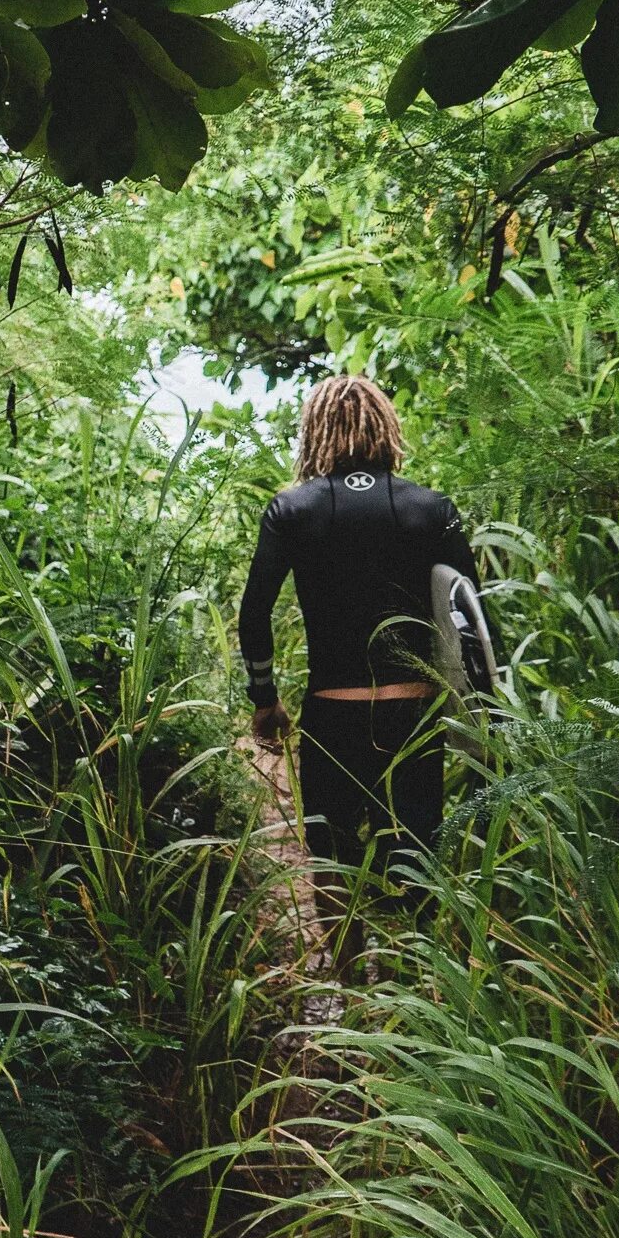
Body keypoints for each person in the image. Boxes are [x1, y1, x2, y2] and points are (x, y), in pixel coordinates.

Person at [238, 375, 490, 963]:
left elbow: (254, 614)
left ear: (316, 431)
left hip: (334, 711)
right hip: (413, 711)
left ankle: (351, 992)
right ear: (385, 427)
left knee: (330, 853)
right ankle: (414, 994)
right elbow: (473, 625)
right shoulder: (433, 509)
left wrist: (264, 699)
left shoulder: (291, 510)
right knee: (416, 852)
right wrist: (484, 721)